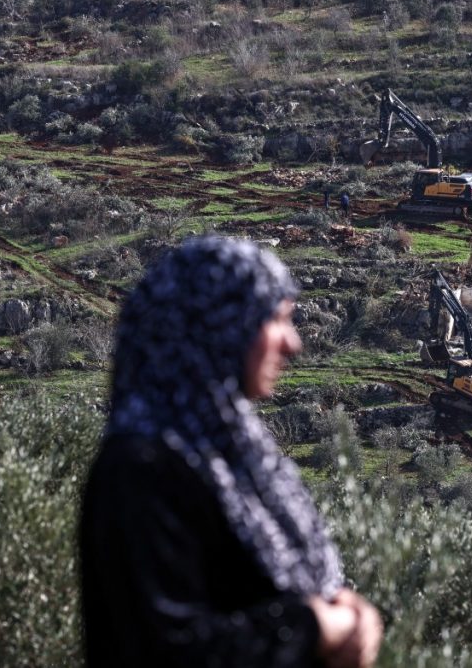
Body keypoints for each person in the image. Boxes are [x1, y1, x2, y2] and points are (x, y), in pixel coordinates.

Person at [79, 236, 382, 668]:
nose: (293, 345)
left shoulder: (233, 453)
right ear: (219, 326)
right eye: (276, 320)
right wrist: (313, 626)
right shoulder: (141, 474)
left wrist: (346, 611)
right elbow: (167, 651)